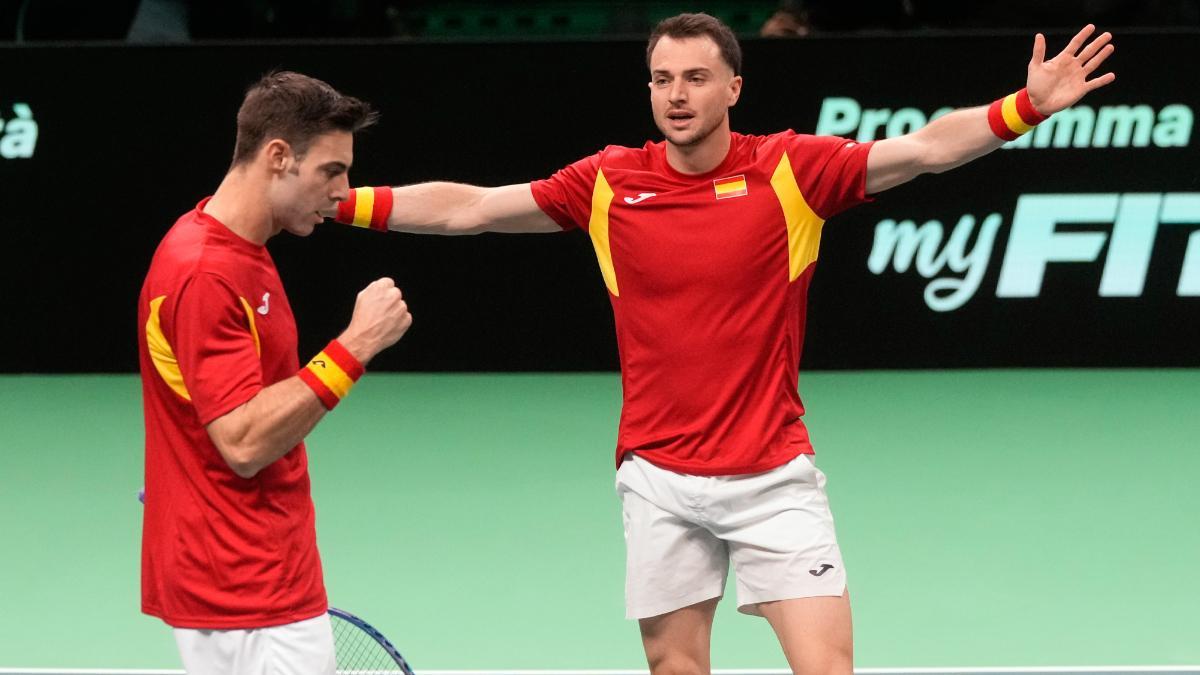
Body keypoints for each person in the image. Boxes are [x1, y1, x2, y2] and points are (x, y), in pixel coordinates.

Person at [330, 14, 1114, 675]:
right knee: (677, 667)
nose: (677, 95)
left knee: (827, 667)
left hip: (774, 473)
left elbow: (926, 148)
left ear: (733, 88)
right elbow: (472, 208)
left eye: (696, 78)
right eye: (663, 79)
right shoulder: (609, 182)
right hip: (658, 476)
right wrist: (343, 203)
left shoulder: (791, 171)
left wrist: (1023, 108)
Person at [137, 71, 412, 675]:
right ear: (279, 157)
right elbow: (241, 441)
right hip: (240, 587)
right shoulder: (205, 274)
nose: (343, 191)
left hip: (260, 571)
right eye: (331, 172)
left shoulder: (239, 247)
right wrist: (356, 346)